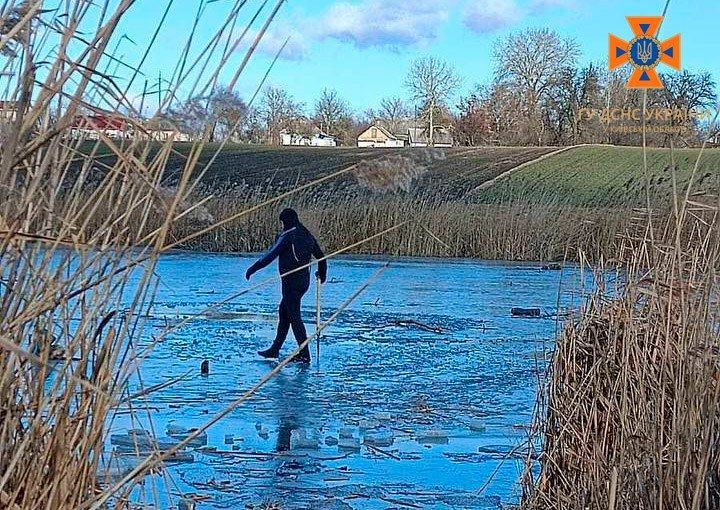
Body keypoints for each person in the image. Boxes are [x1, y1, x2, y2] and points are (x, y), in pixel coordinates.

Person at [245, 208, 327, 362]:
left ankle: (304, 354)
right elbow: (321, 257)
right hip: (303, 282)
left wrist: (253, 269)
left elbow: (271, 255)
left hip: (291, 283)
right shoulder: (306, 234)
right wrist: (322, 273)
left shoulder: (288, 235)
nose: (281, 226)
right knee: (284, 313)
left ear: (285, 222)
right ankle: (275, 350)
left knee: (294, 317)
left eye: (282, 223)